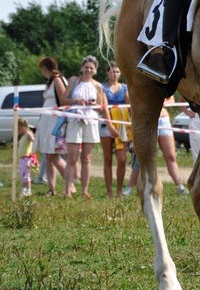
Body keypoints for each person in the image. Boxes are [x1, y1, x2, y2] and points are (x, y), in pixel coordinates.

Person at [61, 55, 118, 199]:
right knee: (72, 157)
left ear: (95, 70)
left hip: (91, 121)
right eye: (86, 67)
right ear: (82, 67)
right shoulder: (74, 81)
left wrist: (108, 123)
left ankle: (85, 190)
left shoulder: (98, 86)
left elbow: (102, 107)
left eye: (91, 68)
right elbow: (63, 100)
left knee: (86, 157)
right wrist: (76, 101)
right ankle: (67, 190)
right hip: (75, 120)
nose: (88, 70)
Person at [123, 103, 188, 195]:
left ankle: (180, 187)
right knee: (141, 158)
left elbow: (171, 99)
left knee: (171, 156)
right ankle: (129, 188)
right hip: (148, 119)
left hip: (163, 119)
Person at [34, 56, 70, 196]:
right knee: (48, 156)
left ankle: (70, 183)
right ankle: (51, 188)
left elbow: (63, 100)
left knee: (53, 156)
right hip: (46, 122)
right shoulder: (49, 82)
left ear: (45, 68)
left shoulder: (57, 80)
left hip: (54, 122)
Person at [100, 62, 130, 198]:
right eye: (112, 71)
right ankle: (109, 191)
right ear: (107, 73)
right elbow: (104, 106)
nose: (115, 74)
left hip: (122, 124)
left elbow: (130, 105)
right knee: (107, 158)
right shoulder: (102, 88)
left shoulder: (124, 88)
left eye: (117, 72)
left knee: (122, 159)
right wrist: (110, 125)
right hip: (107, 123)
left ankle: (119, 190)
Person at [17, 119, 36, 196]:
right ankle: (24, 189)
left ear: (23, 126)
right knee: (23, 174)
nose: (19, 130)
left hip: (26, 158)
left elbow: (33, 141)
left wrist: (31, 158)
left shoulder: (28, 134)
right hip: (22, 158)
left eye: (19, 128)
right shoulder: (24, 136)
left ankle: (28, 190)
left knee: (26, 175)